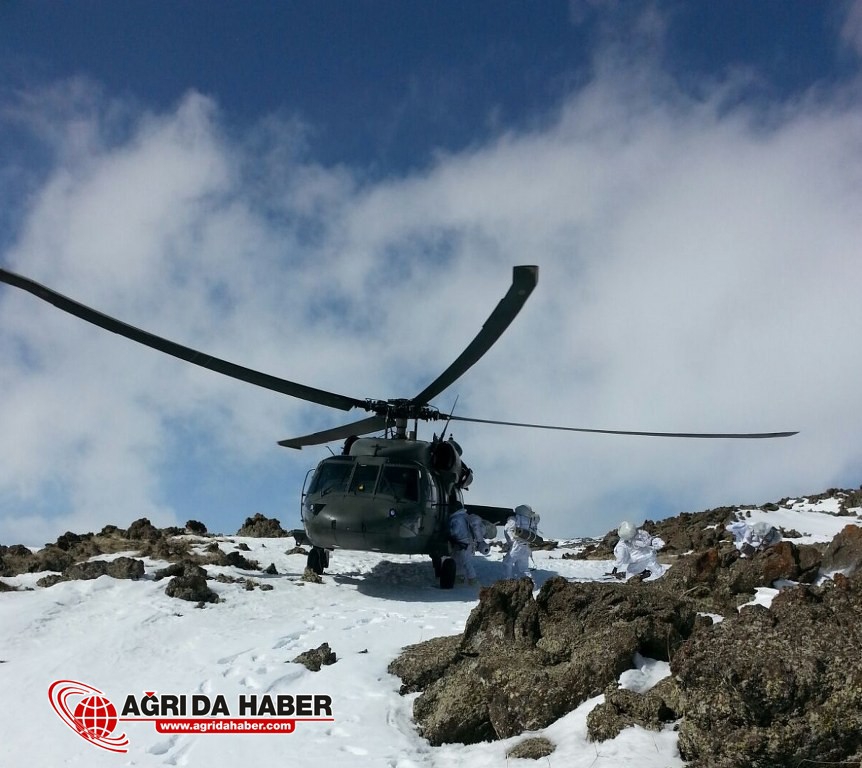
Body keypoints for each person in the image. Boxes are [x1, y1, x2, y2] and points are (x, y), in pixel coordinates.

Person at [502, 504, 539, 580]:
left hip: (517, 546)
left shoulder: (515, 519)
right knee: (524, 569)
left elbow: (509, 529)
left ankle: (507, 581)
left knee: (507, 563)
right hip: (526, 547)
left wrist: (512, 539)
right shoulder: (530, 521)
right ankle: (532, 584)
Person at [448, 505, 480, 584]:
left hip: (461, 542)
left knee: (464, 561)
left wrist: (448, 532)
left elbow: (455, 531)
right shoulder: (464, 516)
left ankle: (472, 579)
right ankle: (461, 577)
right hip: (468, 541)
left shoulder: (456, 519)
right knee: (461, 560)